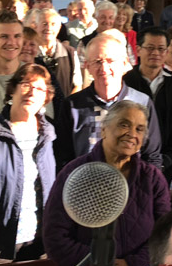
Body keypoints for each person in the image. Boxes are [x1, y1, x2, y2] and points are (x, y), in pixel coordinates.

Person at [44, 100, 170, 266]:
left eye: (140, 128)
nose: (132, 134)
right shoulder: (74, 174)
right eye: (124, 124)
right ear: (104, 129)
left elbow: (164, 237)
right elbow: (55, 238)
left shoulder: (152, 179)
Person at [0, 64, 56, 261]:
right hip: (1, 243)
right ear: (13, 89)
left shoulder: (49, 134)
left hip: (40, 242)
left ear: (46, 97)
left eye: (40, 89)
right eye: (26, 84)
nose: (32, 93)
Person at [56, 30, 162, 168]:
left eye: (110, 61)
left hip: (131, 186)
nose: (104, 68)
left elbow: (152, 156)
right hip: (84, 185)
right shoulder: (72, 106)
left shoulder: (142, 103)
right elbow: (62, 157)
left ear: (124, 63)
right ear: (87, 66)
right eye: (97, 61)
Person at [124, 27, 172, 180]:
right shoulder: (125, 82)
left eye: (161, 49)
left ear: (166, 52)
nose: (155, 53)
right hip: (128, 161)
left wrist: (167, 158)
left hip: (166, 165)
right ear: (138, 50)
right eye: (150, 48)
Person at [32, 7, 82, 107]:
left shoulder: (70, 53)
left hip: (64, 110)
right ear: (36, 27)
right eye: (44, 24)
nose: (49, 28)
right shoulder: (30, 54)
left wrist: (66, 106)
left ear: (59, 28)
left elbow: (77, 85)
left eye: (53, 24)